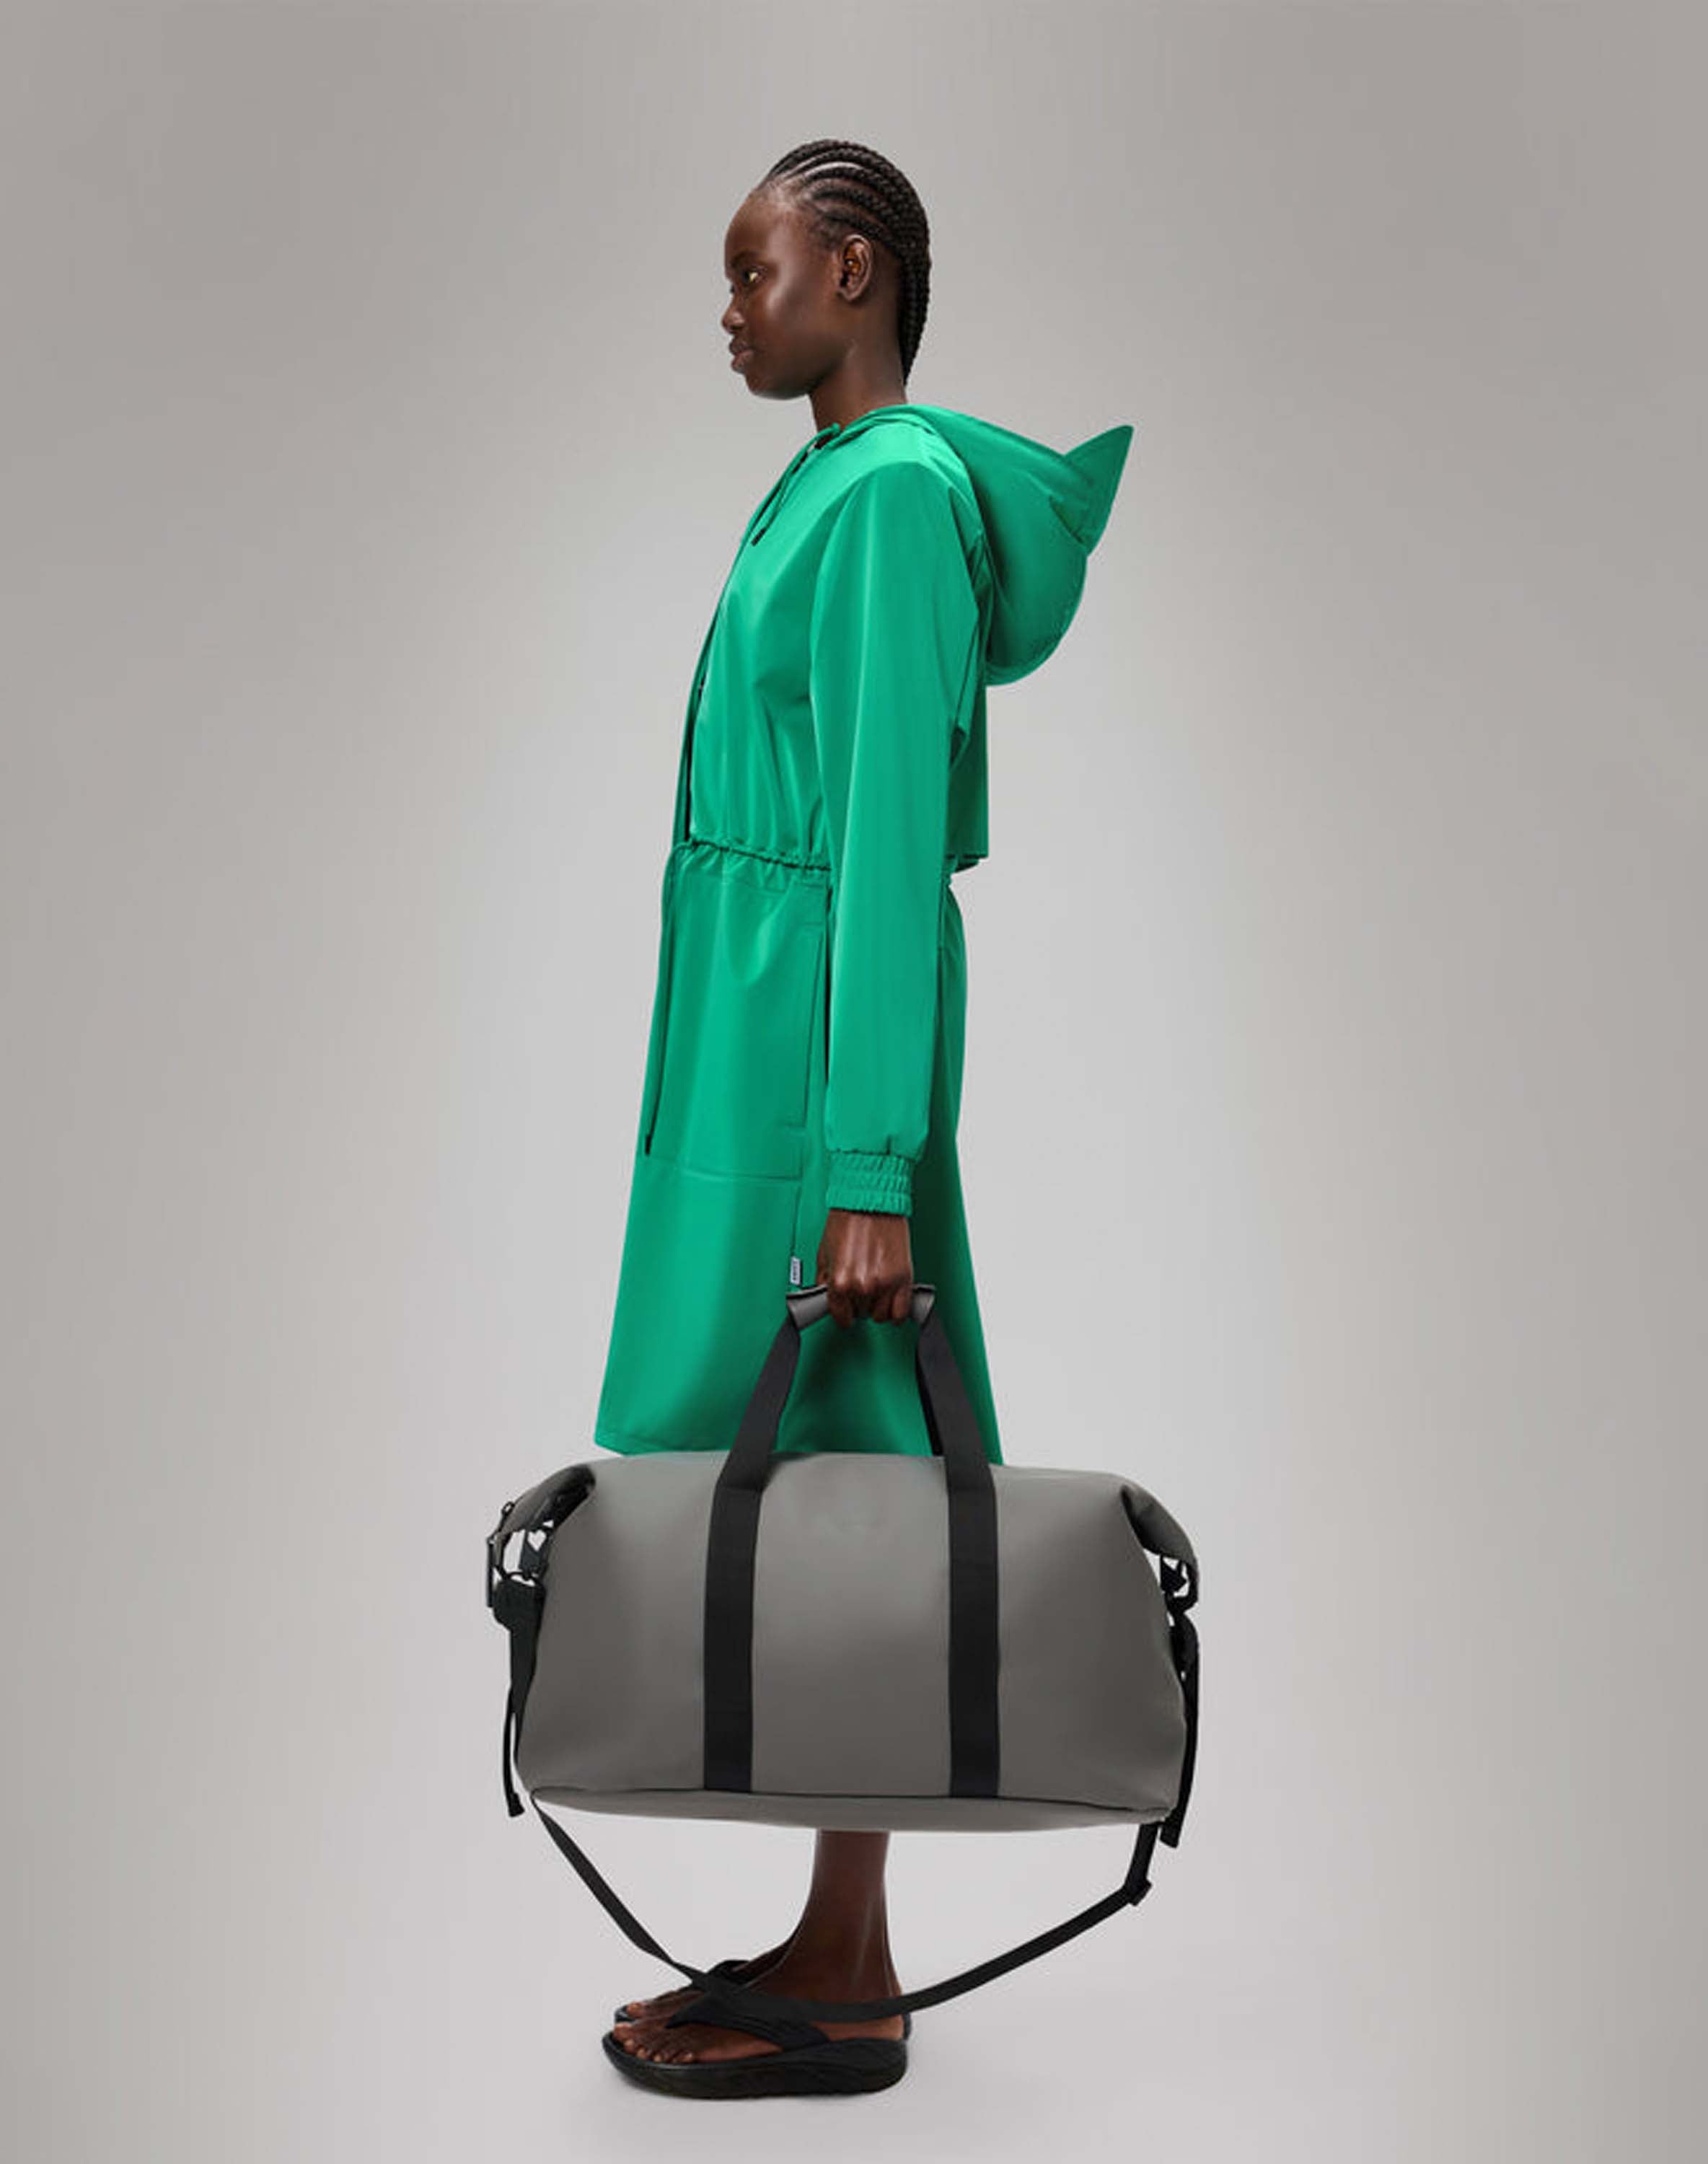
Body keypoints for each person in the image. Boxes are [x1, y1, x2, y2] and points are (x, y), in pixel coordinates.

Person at [597, 137, 1132, 2088]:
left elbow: (891, 841)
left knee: (860, 1461)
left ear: (852, 272)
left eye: (752, 273)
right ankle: (839, 1943)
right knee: (814, 1464)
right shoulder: (825, 481)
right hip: (755, 1020)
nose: (729, 314)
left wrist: (865, 1165)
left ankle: (848, 1975)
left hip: (820, 1039)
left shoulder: (893, 496)